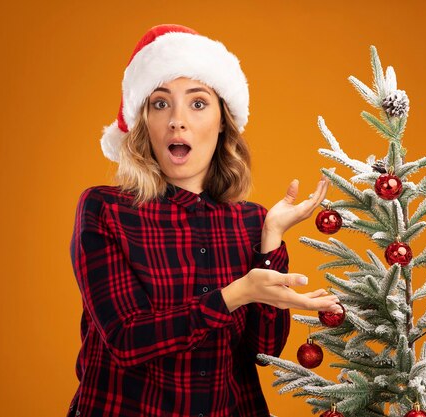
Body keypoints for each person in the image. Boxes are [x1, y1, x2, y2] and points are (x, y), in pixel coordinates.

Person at [67, 24, 341, 417]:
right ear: (144, 122)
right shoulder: (105, 209)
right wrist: (235, 294)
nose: (177, 120)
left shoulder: (250, 221)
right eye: (161, 104)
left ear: (222, 122)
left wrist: (271, 238)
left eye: (197, 103)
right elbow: (127, 339)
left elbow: (263, 352)